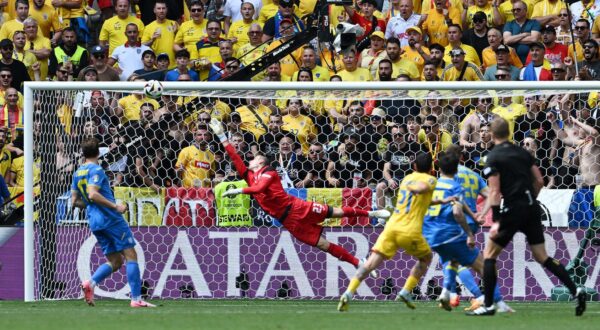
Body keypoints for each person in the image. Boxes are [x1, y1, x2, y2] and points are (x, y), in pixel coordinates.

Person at [209, 118, 391, 269]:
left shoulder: (269, 173)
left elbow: (259, 189)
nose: (250, 160)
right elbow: (234, 156)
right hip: (288, 220)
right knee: (323, 245)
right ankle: (359, 263)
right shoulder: (249, 176)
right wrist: (221, 135)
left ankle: (371, 213)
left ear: (261, 162)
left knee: (337, 212)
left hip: (297, 206)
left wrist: (238, 190)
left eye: (254, 158)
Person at [467, 117, 586, 316]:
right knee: (543, 256)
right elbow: (539, 180)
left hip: (512, 209)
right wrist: (530, 199)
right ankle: (576, 290)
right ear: (508, 133)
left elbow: (494, 192)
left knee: (489, 256)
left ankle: (488, 305)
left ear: (493, 134)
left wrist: (496, 220)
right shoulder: (522, 153)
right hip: (531, 207)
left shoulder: (493, 157)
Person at [337, 152, 453, 312]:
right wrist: (417, 189)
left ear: (414, 166)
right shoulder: (431, 180)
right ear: (431, 168)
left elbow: (424, 198)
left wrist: (441, 201)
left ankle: (348, 293)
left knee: (370, 263)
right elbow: (422, 189)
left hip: (391, 226)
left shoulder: (406, 179)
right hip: (409, 229)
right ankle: (406, 291)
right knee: (426, 258)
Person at [71, 137, 155, 308]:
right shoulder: (97, 170)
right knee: (131, 255)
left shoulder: (77, 173)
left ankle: (91, 283)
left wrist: (91, 204)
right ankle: (137, 299)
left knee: (116, 261)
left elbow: (75, 201)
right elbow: (93, 194)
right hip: (110, 218)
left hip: (94, 222)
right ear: (98, 153)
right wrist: (114, 206)